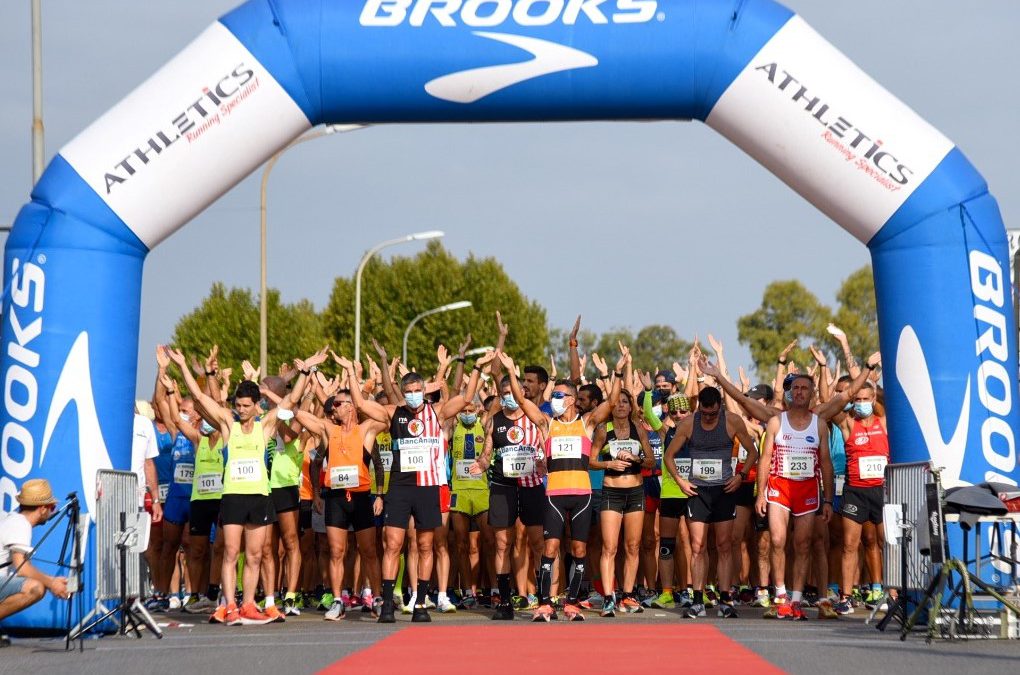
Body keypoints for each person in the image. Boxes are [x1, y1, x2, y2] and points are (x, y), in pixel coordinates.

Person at [167, 345, 327, 626]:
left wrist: (305, 371)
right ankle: (230, 606)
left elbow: (291, 400)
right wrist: (181, 366)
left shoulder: (266, 425)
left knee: (255, 554)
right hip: (233, 498)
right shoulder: (228, 424)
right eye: (237, 405)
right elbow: (200, 396)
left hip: (259, 498)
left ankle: (250, 604)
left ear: (256, 405)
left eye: (245, 406)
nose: (240, 410)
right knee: (230, 552)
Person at [338, 349, 490, 623]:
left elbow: (467, 397)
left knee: (425, 545)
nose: (412, 395)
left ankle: (420, 603)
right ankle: (386, 604)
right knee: (392, 543)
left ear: (424, 390)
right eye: (408, 390)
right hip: (400, 487)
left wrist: (477, 367)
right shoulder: (392, 413)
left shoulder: (438, 413)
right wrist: (350, 372)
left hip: (428, 487)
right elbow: (360, 403)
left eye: (417, 390)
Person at [499, 346, 623, 623]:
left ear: (571, 400)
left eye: (558, 395)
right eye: (553, 395)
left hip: (581, 496)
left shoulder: (587, 424)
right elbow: (521, 400)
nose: (553, 399)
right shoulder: (546, 424)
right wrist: (510, 371)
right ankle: (544, 604)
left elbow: (612, 403)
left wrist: (618, 372)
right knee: (550, 549)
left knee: (579, 551)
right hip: (554, 495)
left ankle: (572, 603)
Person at [664, 386, 759, 619]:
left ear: (720, 408)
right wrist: (680, 482)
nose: (708, 418)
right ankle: (697, 599)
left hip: (724, 490)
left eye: (712, 414)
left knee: (724, 545)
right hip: (698, 491)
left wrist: (741, 476)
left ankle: (726, 599)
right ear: (699, 409)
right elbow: (669, 455)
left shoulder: (732, 421)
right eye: (704, 413)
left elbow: (753, 452)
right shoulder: (688, 424)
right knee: (698, 546)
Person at [297, 390, 386, 621]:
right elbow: (302, 417)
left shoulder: (365, 429)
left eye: (337, 403)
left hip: (360, 498)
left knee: (368, 551)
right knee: (336, 551)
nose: (333, 407)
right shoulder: (330, 429)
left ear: (350, 406)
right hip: (336, 499)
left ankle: (377, 598)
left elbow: (385, 418)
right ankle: (338, 600)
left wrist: (360, 400)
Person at [755, 373, 834, 621]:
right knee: (777, 540)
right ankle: (780, 596)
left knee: (803, 544)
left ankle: (797, 600)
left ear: (812, 394)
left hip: (807, 490)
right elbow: (765, 459)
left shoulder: (819, 424)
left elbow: (826, 464)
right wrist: (761, 494)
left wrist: (829, 499)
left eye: (804, 388)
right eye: (795, 388)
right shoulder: (777, 422)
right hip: (780, 487)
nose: (799, 392)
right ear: (790, 393)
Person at [470, 375, 547, 620]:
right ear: (500, 396)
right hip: (503, 486)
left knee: (536, 543)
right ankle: (504, 601)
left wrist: (544, 462)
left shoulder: (533, 418)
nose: (510, 398)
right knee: (502, 543)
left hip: (531, 485)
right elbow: (486, 455)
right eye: (505, 394)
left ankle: (543, 601)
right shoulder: (494, 421)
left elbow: (545, 449)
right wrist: (479, 465)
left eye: (514, 393)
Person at [590, 389, 655, 616]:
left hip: (635, 492)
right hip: (611, 492)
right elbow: (591, 461)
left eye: (625, 402)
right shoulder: (602, 430)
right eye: (617, 402)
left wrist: (636, 459)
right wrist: (609, 465)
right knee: (609, 547)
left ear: (630, 407)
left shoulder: (638, 430)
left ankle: (627, 595)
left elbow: (651, 461)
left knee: (633, 546)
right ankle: (609, 597)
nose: (620, 406)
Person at [836, 378, 887, 615]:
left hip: (882, 490)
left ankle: (883, 590)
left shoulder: (883, 423)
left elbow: (888, 401)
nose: (862, 404)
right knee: (849, 545)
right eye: (858, 400)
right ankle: (845, 596)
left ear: (874, 400)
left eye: (866, 399)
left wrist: (873, 385)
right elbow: (833, 406)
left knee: (884, 542)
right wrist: (852, 390)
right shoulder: (848, 424)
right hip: (855, 491)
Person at [0, 479, 71, 646]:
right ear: (43, 508)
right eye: (52, 508)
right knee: (35, 588)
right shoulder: (21, 525)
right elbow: (21, 567)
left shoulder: (11, 518)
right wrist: (52, 583)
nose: (52, 512)